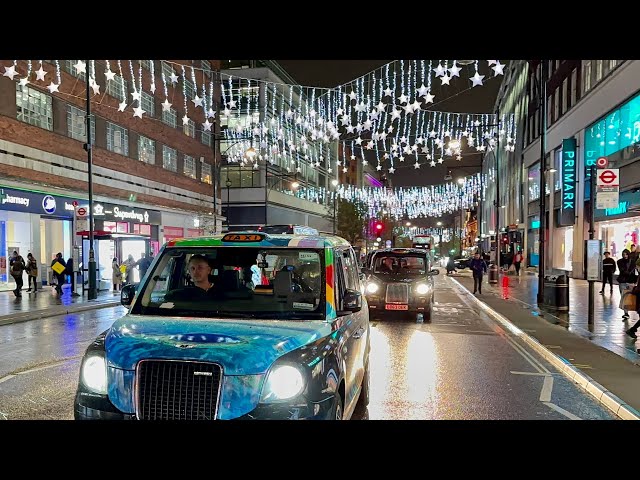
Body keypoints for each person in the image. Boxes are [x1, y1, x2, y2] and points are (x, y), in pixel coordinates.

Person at [617, 249, 632, 320]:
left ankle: (629, 311)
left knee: (629, 297)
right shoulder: (619, 261)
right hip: (622, 281)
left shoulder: (632, 262)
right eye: (623, 254)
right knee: (623, 296)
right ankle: (626, 313)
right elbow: (622, 270)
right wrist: (629, 272)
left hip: (630, 282)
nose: (625, 256)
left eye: (626, 254)